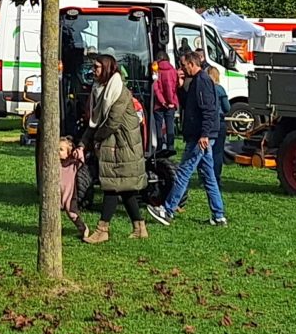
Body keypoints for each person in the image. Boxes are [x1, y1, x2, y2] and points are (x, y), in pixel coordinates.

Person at [149, 48, 231, 228]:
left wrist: (204, 135)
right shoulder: (195, 81)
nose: (181, 68)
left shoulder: (202, 81)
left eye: (184, 65)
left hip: (199, 137)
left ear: (193, 64)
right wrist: (180, 87)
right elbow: (189, 105)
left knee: (183, 172)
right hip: (200, 136)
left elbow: (209, 110)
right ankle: (218, 215)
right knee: (208, 176)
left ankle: (167, 210)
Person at [80, 53, 148, 243]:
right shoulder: (100, 90)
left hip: (123, 146)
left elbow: (112, 122)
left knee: (111, 186)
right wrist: (83, 143)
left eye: (97, 67)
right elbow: (94, 122)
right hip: (115, 144)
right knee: (124, 188)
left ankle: (102, 230)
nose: (94, 70)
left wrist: (97, 140)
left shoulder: (119, 92)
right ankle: (139, 226)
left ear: (108, 69)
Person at [148, 51, 179, 154]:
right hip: (171, 103)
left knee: (158, 125)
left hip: (159, 104)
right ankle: (170, 146)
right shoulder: (173, 71)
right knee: (170, 124)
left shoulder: (156, 71)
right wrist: (171, 101)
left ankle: (160, 146)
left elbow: (156, 88)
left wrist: (162, 101)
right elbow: (175, 87)